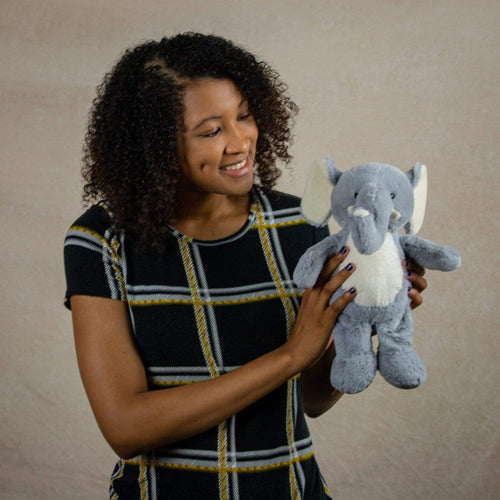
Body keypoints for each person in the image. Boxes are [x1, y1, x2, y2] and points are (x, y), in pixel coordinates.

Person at [64, 33, 427, 500]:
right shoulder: (102, 240)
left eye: (244, 116)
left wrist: (363, 318)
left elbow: (312, 400)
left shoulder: (303, 225)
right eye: (212, 130)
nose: (241, 143)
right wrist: (291, 355)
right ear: (154, 145)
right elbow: (126, 426)